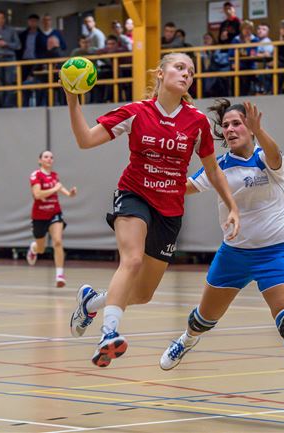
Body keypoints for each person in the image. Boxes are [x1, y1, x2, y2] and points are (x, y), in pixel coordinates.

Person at [159, 100, 284, 424]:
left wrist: (260, 131)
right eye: (226, 125)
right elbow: (189, 185)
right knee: (203, 319)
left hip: (276, 253)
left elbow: (274, 154)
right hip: (234, 255)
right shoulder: (219, 166)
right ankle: (186, 340)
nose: (230, 129)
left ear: (250, 127)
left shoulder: (266, 157)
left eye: (236, 123)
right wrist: (160, 177)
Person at [63, 52, 239, 367]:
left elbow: (213, 171)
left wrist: (233, 207)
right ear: (160, 73)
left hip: (170, 209)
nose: (186, 74)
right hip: (135, 194)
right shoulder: (136, 112)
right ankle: (108, 334)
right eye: (180, 67)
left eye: (191, 71)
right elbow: (85, 140)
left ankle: (92, 302)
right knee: (130, 260)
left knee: (143, 294)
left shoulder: (196, 121)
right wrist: (73, 100)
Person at [27, 150, 77, 287]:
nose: (49, 159)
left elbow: (62, 190)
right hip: (39, 215)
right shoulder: (35, 175)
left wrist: (70, 193)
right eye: (46, 157)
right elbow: (37, 194)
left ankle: (60, 275)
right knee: (41, 249)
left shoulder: (55, 176)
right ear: (40, 160)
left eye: (51, 157)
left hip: (55, 213)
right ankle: (34, 248)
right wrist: (55, 189)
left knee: (58, 242)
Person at [0, 11, 21, 108]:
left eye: (2, 18)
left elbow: (18, 45)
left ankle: (8, 105)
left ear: (4, 19)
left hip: (9, 58)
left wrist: (6, 44)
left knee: (9, 82)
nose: (0, 20)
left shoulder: (11, 30)